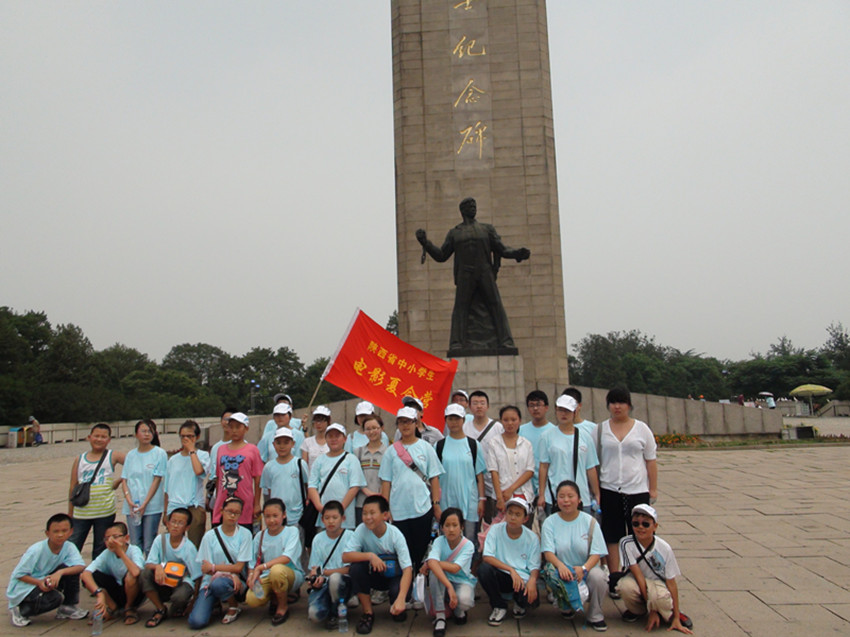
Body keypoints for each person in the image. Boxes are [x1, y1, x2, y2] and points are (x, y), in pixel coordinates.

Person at [415, 197, 530, 353]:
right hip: (465, 274)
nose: (473, 207)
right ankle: (457, 343)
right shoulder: (455, 233)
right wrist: (425, 243)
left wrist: (517, 253)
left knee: (495, 304)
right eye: (469, 206)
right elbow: (441, 255)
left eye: (474, 205)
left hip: (484, 272)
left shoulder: (487, 229)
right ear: (462, 210)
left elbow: (502, 249)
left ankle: (506, 341)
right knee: (461, 308)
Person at [594, 386, 658, 583]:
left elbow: (650, 460)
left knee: (639, 532)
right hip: (610, 488)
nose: (617, 407)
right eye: (613, 402)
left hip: (637, 489)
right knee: (612, 534)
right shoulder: (601, 429)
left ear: (629, 405)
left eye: (621, 402)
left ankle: (640, 574)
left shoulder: (642, 429)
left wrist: (653, 489)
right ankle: (615, 576)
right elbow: (595, 461)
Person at [379, 407, 444, 571]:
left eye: (408, 421)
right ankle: (405, 589)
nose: (405, 426)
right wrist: (385, 509)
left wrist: (436, 504)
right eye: (401, 422)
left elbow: (434, 478)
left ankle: (420, 588)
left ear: (416, 423)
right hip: (398, 511)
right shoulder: (391, 451)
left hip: (422, 509)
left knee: (421, 551)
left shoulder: (426, 447)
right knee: (403, 553)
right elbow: (386, 482)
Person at [541, 480, 608, 632]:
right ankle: (566, 604)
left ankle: (595, 615)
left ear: (579, 500)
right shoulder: (550, 522)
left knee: (599, 576)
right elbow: (548, 553)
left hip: (585, 569)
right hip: (562, 570)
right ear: (556, 500)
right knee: (552, 573)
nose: (566, 500)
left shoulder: (589, 521)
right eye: (562, 496)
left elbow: (596, 553)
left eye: (570, 496)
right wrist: (561, 566)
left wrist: (583, 569)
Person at [616, 504, 692, 634]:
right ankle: (639, 611)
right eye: (635, 524)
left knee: (659, 597)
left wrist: (676, 618)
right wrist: (651, 610)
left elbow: (671, 582)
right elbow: (638, 576)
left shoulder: (664, 548)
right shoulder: (626, 543)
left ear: (655, 526)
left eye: (646, 524)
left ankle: (673, 613)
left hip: (658, 583)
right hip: (638, 580)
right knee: (624, 587)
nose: (640, 527)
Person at [342, 495, 413, 635]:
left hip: (394, 576)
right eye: (364, 513)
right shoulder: (361, 530)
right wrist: (370, 556)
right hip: (374, 574)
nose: (368, 517)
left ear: (385, 515)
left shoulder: (395, 534)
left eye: (372, 513)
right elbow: (346, 555)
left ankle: (397, 604)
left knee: (397, 600)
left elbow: (408, 569)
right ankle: (368, 613)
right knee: (356, 568)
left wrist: (400, 599)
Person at [6, 513, 87, 627]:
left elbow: (80, 566)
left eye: (64, 531)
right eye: (56, 531)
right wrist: (39, 582)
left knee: (71, 569)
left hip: (47, 578)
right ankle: (21, 610)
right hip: (25, 586)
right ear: (47, 533)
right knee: (54, 599)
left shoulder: (69, 546)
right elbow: (19, 574)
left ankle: (68, 606)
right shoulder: (36, 550)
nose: (60, 535)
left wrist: (60, 573)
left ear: (71, 532)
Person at [188, 496, 252, 628]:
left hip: (234, 582)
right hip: (210, 582)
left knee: (219, 584)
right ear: (222, 511)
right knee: (196, 622)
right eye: (229, 511)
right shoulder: (209, 536)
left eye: (236, 513)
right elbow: (205, 569)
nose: (232, 515)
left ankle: (233, 605)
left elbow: (239, 567)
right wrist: (195, 598)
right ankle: (214, 601)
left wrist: (215, 567)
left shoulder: (245, 534)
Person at [68, 423, 126, 559]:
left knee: (100, 549)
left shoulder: (113, 455)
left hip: (104, 511)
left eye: (103, 437)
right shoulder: (80, 459)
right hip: (82, 512)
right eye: (96, 436)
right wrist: (70, 512)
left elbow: (134, 463)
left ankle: (96, 577)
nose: (99, 439)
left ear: (109, 439)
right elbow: (73, 486)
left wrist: (119, 481)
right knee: (73, 546)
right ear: (89, 437)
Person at [478, 497, 540, 625]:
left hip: (522, 579)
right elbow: (487, 556)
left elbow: (534, 566)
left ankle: (519, 602)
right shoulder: (495, 530)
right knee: (484, 569)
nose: (512, 517)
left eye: (518, 515)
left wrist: (533, 580)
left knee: (531, 601)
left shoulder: (532, 538)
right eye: (510, 513)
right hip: (502, 575)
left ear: (525, 519)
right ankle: (499, 605)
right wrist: (510, 570)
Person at [537, 394, 600, 516]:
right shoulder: (547, 436)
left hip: (581, 496)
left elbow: (591, 468)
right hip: (554, 496)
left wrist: (597, 494)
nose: (563, 414)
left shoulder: (585, 437)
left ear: (575, 412)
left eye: (567, 411)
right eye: (560, 410)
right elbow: (543, 467)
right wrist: (541, 495)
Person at [245, 499, 304, 625]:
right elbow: (252, 561)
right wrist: (251, 576)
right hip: (267, 575)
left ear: (284, 515)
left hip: (290, 574)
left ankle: (282, 607)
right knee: (252, 599)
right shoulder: (259, 536)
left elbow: (286, 557)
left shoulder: (291, 532)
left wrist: (262, 567)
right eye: (267, 516)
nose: (271, 520)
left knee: (277, 570)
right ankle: (274, 597)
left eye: (275, 516)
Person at [140, 508, 200, 627]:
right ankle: (160, 608)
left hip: (181, 582)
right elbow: (149, 563)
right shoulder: (160, 540)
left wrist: (194, 602)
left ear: (187, 527)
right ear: (167, 523)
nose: (175, 526)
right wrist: (157, 567)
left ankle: (178, 606)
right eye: (173, 521)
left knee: (179, 598)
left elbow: (197, 576)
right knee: (144, 574)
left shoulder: (189, 547)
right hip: (163, 579)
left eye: (180, 523)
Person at [435, 404, 485, 545]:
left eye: (457, 419)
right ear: (446, 420)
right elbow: (435, 478)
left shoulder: (473, 445)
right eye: (450, 419)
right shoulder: (439, 446)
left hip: (470, 501)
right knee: (447, 540)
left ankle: (468, 567)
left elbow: (479, 475)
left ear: (463, 420)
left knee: (470, 541)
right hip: (446, 501)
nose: (454, 422)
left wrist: (482, 499)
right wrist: (436, 504)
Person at [423, 507, 476, 637]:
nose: (451, 529)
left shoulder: (468, 545)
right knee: (434, 573)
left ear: (462, 526)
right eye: (447, 525)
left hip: (461, 581)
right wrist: (448, 587)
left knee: (464, 599)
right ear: (442, 528)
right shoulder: (439, 541)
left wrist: (432, 563)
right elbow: (434, 564)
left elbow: (454, 568)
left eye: (455, 525)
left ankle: (458, 610)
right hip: (443, 581)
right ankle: (440, 616)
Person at [80, 521, 145, 625]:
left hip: (134, 591)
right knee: (91, 577)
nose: (111, 541)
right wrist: (99, 593)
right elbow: (85, 573)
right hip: (116, 590)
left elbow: (136, 572)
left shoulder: (134, 550)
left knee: (131, 576)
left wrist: (120, 552)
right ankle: (112, 607)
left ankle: (129, 607)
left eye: (115, 537)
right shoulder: (106, 553)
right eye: (107, 538)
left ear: (126, 538)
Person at [122, 419, 168, 555]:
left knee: (149, 544)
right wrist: (129, 500)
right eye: (143, 431)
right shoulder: (131, 455)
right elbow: (124, 479)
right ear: (136, 434)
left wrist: (145, 503)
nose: (147, 434)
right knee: (135, 544)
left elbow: (157, 480)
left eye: (150, 431)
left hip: (152, 506)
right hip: (132, 506)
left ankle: (148, 572)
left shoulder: (159, 454)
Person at [308, 423, 366, 530]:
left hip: (345, 517)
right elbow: (312, 486)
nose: (333, 439)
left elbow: (354, 487)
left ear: (344, 439)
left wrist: (340, 509)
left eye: (337, 436)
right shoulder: (319, 460)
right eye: (330, 436)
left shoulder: (351, 459)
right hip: (324, 517)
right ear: (326, 439)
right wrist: (320, 508)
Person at [211, 412, 263, 531]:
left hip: (245, 502)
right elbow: (219, 477)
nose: (234, 430)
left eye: (238, 427)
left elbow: (258, 478)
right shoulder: (221, 449)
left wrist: (256, 503)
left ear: (246, 429)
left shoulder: (252, 450)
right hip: (223, 501)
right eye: (231, 427)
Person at [164, 420, 210, 548]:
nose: (186, 439)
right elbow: (167, 488)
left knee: (195, 544)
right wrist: (165, 511)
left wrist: (191, 451)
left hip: (194, 506)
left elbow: (199, 471)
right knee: (174, 544)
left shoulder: (203, 455)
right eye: (183, 436)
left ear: (197, 437)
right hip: (175, 506)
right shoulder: (173, 460)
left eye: (190, 436)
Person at [307, 500, 353, 629]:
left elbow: (350, 569)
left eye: (335, 517)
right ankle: (330, 605)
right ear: (322, 520)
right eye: (327, 518)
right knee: (314, 614)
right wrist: (314, 578)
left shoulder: (350, 537)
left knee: (335, 579)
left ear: (343, 518)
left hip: (343, 583)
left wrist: (326, 573)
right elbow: (315, 567)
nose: (331, 521)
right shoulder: (318, 538)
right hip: (324, 584)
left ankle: (336, 613)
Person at [486, 405, 534, 518]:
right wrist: (500, 498)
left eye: (513, 420)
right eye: (506, 420)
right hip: (502, 496)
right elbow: (493, 472)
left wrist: (511, 489)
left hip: (524, 495)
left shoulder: (526, 444)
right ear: (501, 421)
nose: (510, 423)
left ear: (520, 421)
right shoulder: (494, 443)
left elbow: (530, 470)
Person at [463, 390, 504, 522]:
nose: (479, 406)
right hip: (472, 486)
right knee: (473, 525)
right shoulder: (464, 428)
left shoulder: (498, 427)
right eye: (475, 403)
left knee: (492, 523)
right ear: (469, 406)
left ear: (488, 406)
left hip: (493, 485)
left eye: (482, 403)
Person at [260, 428, 308, 528]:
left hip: (297, 517)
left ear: (293, 444)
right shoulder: (269, 467)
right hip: (277, 519)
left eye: (286, 442)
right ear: (273, 445)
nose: (282, 446)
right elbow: (268, 492)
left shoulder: (299, 464)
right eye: (278, 443)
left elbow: (307, 486)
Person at [519, 390, 555, 510]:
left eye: (538, 405)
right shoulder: (521, 430)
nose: (535, 408)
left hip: (547, 486)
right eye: (531, 405)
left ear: (546, 407)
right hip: (526, 485)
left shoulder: (554, 431)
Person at [353, 414, 387, 525]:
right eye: (368, 429)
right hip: (362, 503)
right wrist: (367, 492)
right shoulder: (358, 452)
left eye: (374, 428)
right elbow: (356, 477)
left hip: (381, 502)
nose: (371, 432)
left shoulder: (388, 452)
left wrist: (381, 494)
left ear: (382, 428)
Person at [302, 406, 331, 471]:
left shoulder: (333, 442)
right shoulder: (307, 442)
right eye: (316, 420)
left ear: (328, 422)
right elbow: (304, 465)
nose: (318, 423)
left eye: (322, 420)